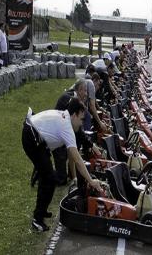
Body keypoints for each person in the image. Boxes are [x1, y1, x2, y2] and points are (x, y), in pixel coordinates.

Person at [22, 98, 102, 231]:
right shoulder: (67, 127)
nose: (82, 124)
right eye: (82, 119)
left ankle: (42, 210)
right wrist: (91, 181)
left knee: (49, 178)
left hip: (37, 137)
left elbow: (79, 139)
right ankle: (37, 219)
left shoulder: (66, 118)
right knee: (49, 179)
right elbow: (77, 160)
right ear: (74, 115)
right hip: (31, 136)